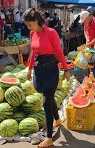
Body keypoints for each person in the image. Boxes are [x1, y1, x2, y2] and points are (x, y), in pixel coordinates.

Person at [24, 8, 70, 148]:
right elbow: (33, 52)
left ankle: (49, 138)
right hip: (39, 69)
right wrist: (29, 69)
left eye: (29, 24)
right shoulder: (33, 34)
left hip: (51, 69)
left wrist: (66, 70)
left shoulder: (51, 33)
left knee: (46, 100)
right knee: (47, 97)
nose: (28, 27)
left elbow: (58, 52)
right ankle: (57, 119)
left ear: (37, 21)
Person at [79, 10, 95, 77]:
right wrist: (87, 39)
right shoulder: (86, 22)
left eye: (85, 20)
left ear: (89, 17)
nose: (84, 22)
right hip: (90, 47)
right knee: (90, 65)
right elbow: (85, 31)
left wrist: (90, 43)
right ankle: (92, 79)